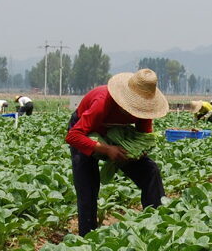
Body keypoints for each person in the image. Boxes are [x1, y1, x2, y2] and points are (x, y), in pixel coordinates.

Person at [65, 69, 169, 236]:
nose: (137, 110)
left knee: (150, 171)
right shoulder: (102, 101)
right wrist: (106, 149)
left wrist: (139, 151)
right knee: (87, 185)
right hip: (85, 132)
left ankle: (157, 225)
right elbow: (73, 136)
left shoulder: (144, 110)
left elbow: (143, 135)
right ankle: (87, 236)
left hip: (118, 134)